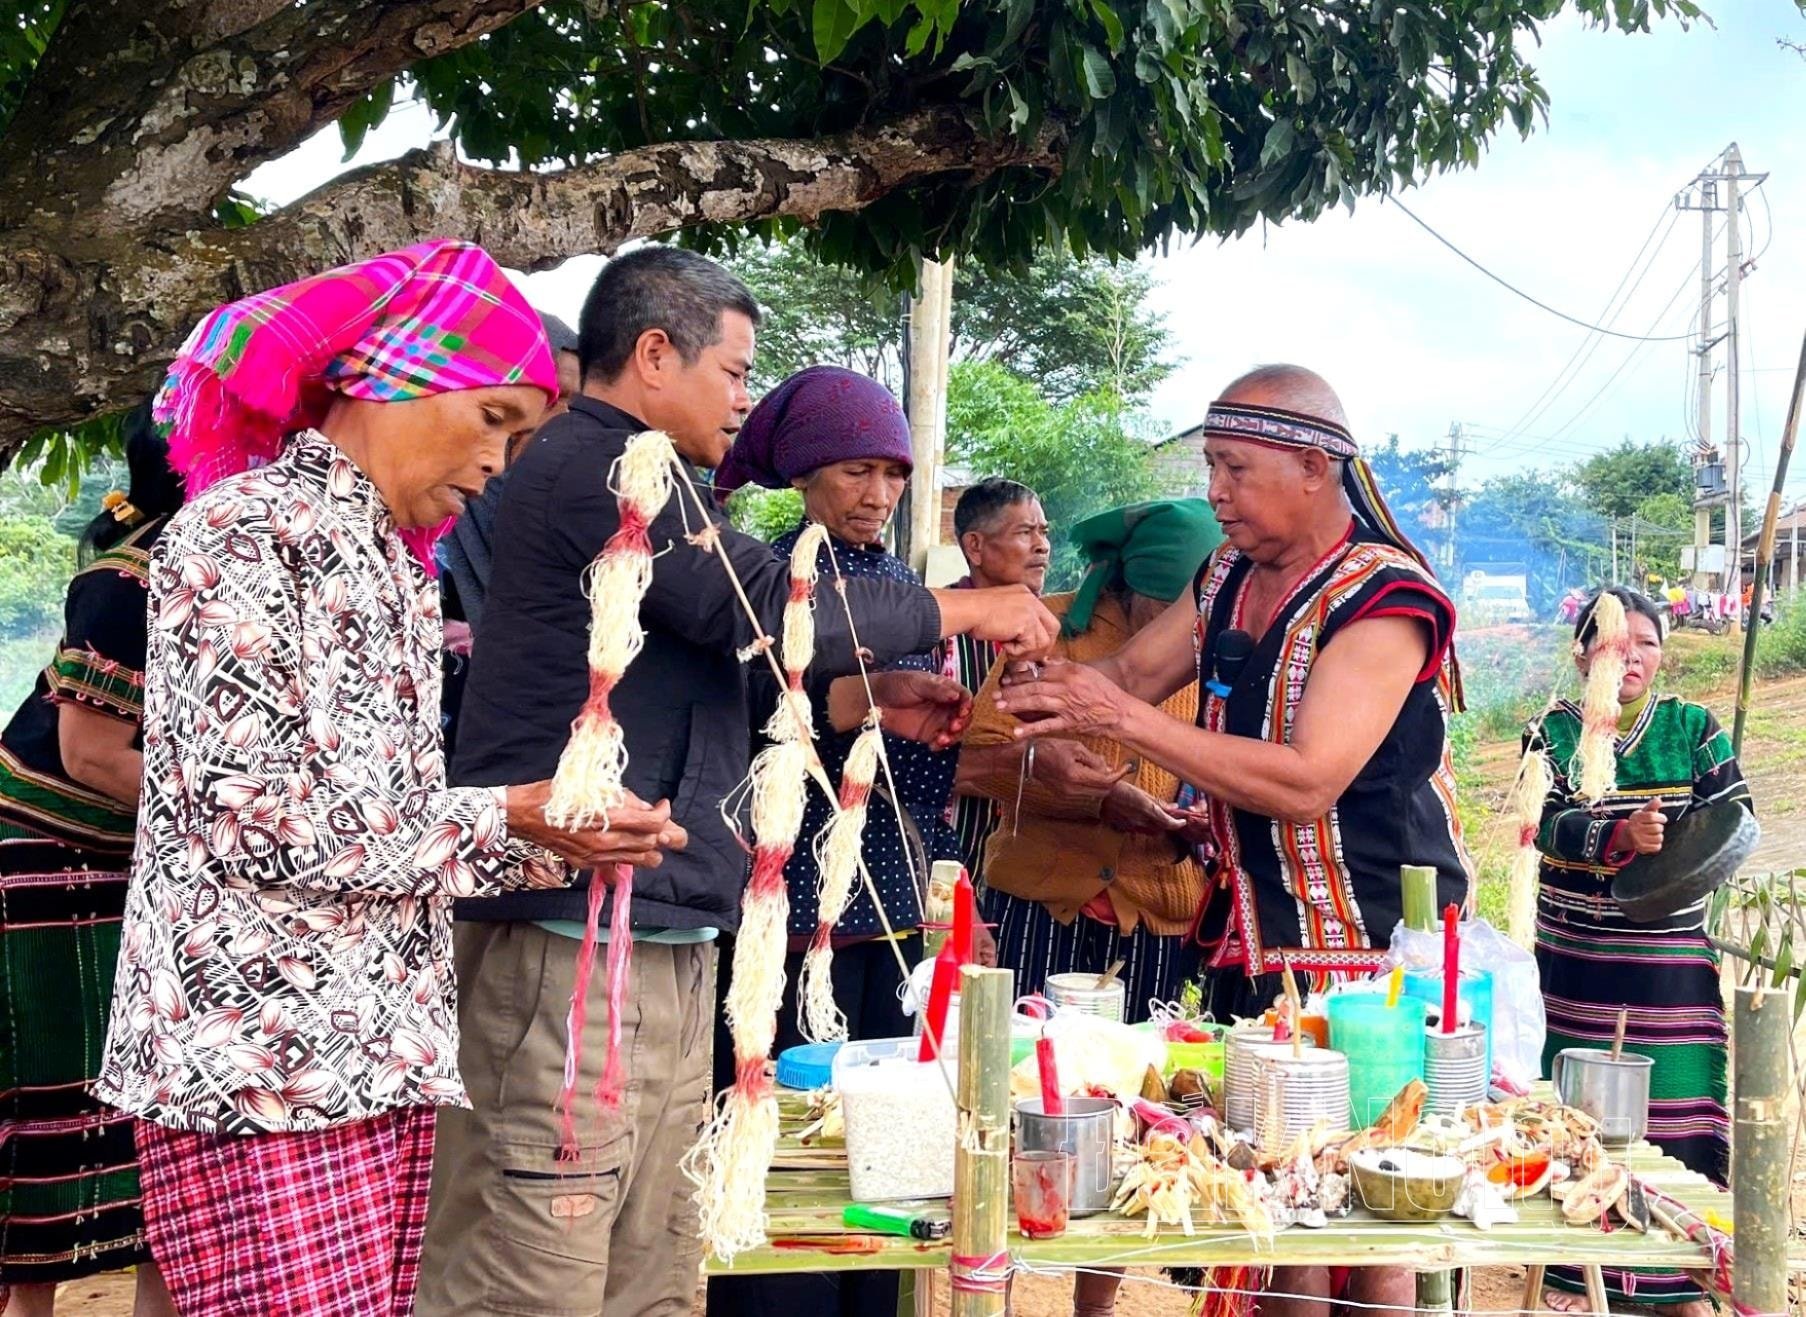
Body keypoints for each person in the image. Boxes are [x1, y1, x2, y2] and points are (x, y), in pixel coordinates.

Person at [420, 250, 1057, 1317]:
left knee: (655, 1253)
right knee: (543, 1257)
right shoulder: (601, 462)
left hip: (665, 924)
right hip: (569, 930)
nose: (741, 400)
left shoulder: (654, 479)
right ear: (656, 354)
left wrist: (868, 701)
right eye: (736, 372)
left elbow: (732, 679)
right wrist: (965, 612)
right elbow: (762, 607)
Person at [93, 240, 682, 1316]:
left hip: (373, 1049)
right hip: (260, 1062)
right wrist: (508, 811)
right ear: (397, 380)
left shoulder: (395, 564)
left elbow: (379, 828)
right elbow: (258, 821)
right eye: (496, 418)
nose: (501, 463)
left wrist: (555, 834)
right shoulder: (245, 531)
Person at [994, 365, 1468, 1317]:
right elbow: (1127, 671)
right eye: (1212, 466)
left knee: (1374, 1197)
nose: (1215, 492)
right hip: (1258, 933)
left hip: (1366, 950)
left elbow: (1307, 781)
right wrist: (1040, 686)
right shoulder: (1228, 574)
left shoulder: (1383, 599)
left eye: (1234, 469)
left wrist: (1119, 721)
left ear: (1311, 465)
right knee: (1273, 1196)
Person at [704, 364, 983, 1317]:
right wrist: (862, 703)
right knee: (783, 1142)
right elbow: (754, 720)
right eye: (858, 470)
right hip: (785, 919)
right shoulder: (765, 577)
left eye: (894, 474)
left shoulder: (906, 585)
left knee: (887, 1148)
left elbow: (916, 760)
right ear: (808, 473)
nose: (879, 494)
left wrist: (950, 725)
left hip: (888, 915)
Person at [0, 405, 180, 1316]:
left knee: (141, 1114)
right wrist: (243, 817)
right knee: (44, 1105)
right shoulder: (124, 584)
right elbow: (92, 756)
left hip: (134, 864)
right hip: (44, 866)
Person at [1529, 587, 1749, 1317]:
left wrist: (1685, 843)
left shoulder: (1694, 728)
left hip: (1667, 982)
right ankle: (1573, 1288)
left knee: (1674, 1127)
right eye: (1613, 641)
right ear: (1581, 651)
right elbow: (1544, 824)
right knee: (1579, 1134)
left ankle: (1676, 1288)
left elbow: (1734, 817)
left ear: (1662, 654)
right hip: (1575, 978)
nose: (1629, 656)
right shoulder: (1551, 735)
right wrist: (1619, 836)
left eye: (1645, 643)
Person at [966, 498, 1223, 1020]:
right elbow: (981, 752)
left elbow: (1226, 756)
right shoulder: (1051, 627)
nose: (1181, 629)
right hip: (1038, 900)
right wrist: (1094, 799)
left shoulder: (1214, 643)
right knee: (1029, 1062)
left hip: (1158, 909)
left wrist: (1201, 816)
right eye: (1165, 609)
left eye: (1192, 614)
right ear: (1130, 588)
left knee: (1137, 1072)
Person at [438, 310, 580, 761]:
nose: (556, 418)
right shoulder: (430, 500)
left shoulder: (562, 502)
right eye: (549, 396)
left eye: (572, 402)